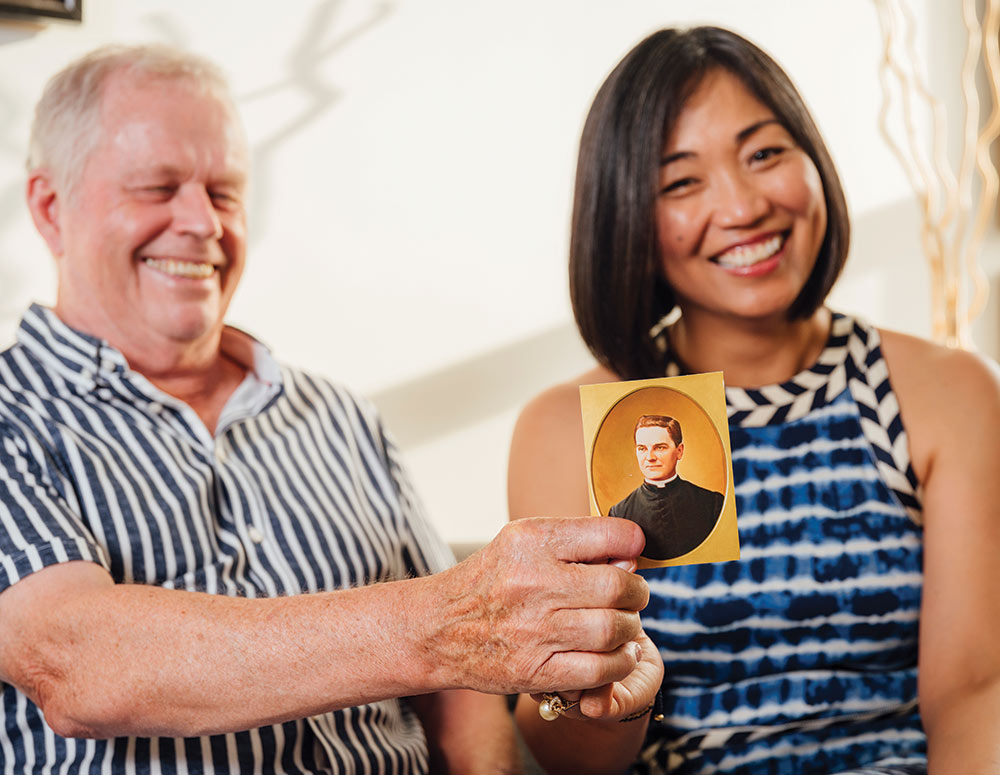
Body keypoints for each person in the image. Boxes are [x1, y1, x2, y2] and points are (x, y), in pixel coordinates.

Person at [0, 44, 653, 774]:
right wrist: (444, 620)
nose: (203, 223)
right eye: (157, 187)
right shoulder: (10, 418)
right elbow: (77, 664)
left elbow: (463, 698)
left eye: (223, 192)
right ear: (50, 209)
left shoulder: (342, 417)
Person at [508, 26, 1000, 775]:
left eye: (764, 153)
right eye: (681, 181)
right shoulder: (567, 429)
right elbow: (564, 756)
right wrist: (608, 696)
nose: (742, 206)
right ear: (628, 216)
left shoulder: (948, 392)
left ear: (812, 160)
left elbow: (975, 693)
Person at [608, 415, 724, 561]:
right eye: (642, 448)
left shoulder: (712, 503)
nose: (650, 457)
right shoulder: (619, 513)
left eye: (660, 448)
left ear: (679, 451)